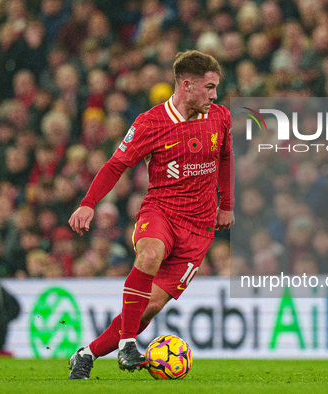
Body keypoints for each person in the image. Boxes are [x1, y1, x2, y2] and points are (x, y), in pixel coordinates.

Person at [67, 50, 235, 379]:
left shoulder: (221, 118)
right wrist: (89, 202)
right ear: (187, 85)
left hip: (199, 229)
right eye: (210, 87)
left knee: (149, 308)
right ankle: (129, 343)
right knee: (150, 252)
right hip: (161, 211)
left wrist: (226, 204)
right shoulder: (151, 122)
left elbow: (227, 158)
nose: (215, 95)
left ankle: (87, 354)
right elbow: (116, 165)